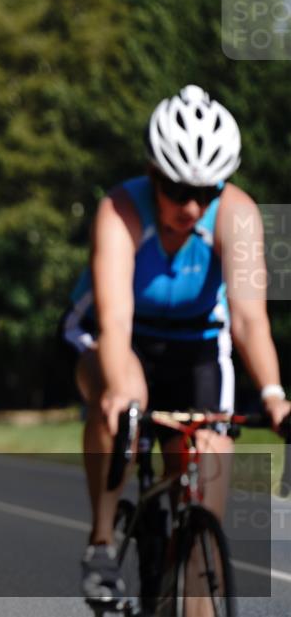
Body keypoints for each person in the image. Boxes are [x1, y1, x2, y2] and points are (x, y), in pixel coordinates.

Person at [61, 85, 291, 603]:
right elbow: (115, 321)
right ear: (152, 173)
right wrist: (119, 390)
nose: (192, 206)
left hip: (197, 346)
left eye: (206, 192)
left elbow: (249, 319)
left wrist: (274, 395)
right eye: (177, 189)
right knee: (123, 404)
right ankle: (101, 542)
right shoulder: (120, 209)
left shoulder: (237, 214)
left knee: (205, 509)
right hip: (117, 336)